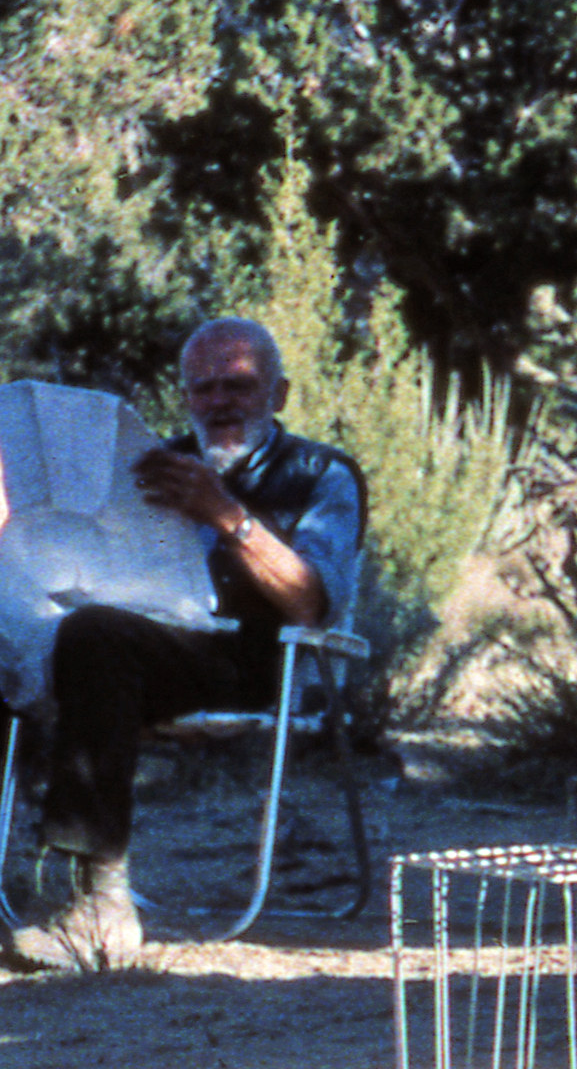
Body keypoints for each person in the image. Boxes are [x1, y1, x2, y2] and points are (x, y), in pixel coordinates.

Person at [2, 318, 365, 972]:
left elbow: (313, 602)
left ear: (278, 394)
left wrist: (228, 516)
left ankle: (100, 909)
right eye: (203, 390)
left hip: (253, 660)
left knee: (95, 635)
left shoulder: (320, 474)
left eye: (238, 386)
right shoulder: (150, 463)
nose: (219, 402)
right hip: (138, 653)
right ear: (185, 397)